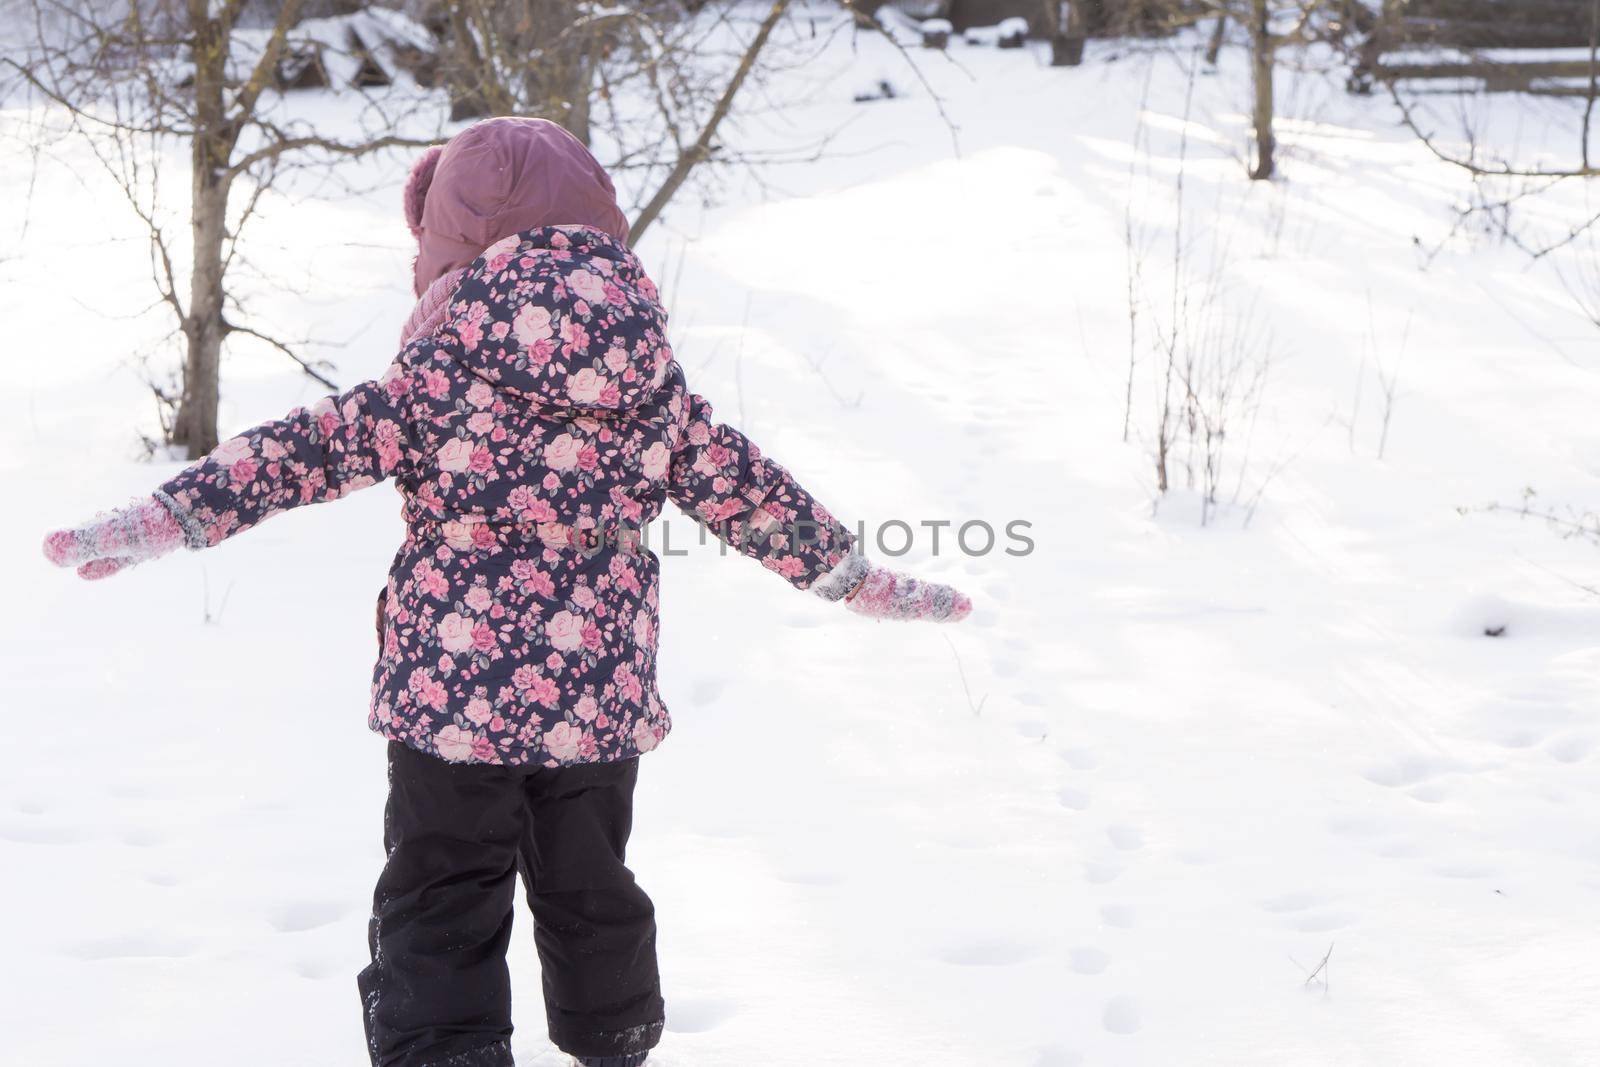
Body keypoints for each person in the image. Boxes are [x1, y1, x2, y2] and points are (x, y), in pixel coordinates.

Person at [42, 116, 972, 1067]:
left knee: (441, 886)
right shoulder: (647, 377)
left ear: (453, 241)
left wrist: (163, 516)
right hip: (594, 697)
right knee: (591, 880)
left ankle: (448, 1054)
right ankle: (613, 1043)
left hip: (454, 699)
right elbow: (747, 489)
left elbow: (297, 453)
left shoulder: (435, 375)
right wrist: (853, 574)